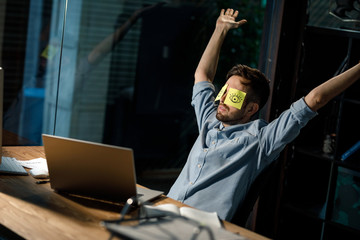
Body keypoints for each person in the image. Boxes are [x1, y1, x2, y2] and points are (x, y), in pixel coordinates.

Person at [167, 8, 360, 221]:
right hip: (165, 212)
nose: (222, 99)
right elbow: (202, 75)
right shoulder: (209, 119)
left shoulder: (260, 141)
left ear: (251, 109)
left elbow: (315, 99)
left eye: (234, 96)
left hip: (200, 228)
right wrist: (220, 30)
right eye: (224, 91)